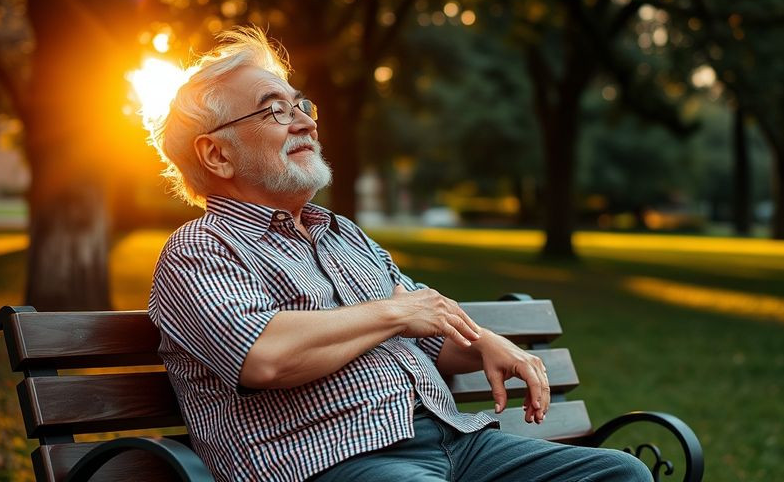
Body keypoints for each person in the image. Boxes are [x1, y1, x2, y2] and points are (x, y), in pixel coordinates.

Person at [147, 26, 651, 482]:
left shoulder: (345, 236)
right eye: (275, 109)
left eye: (301, 105)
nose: (304, 122)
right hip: (332, 459)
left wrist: (486, 343)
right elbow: (266, 358)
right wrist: (396, 311)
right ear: (217, 154)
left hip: (460, 446)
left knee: (621, 475)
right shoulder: (200, 249)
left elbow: (432, 332)